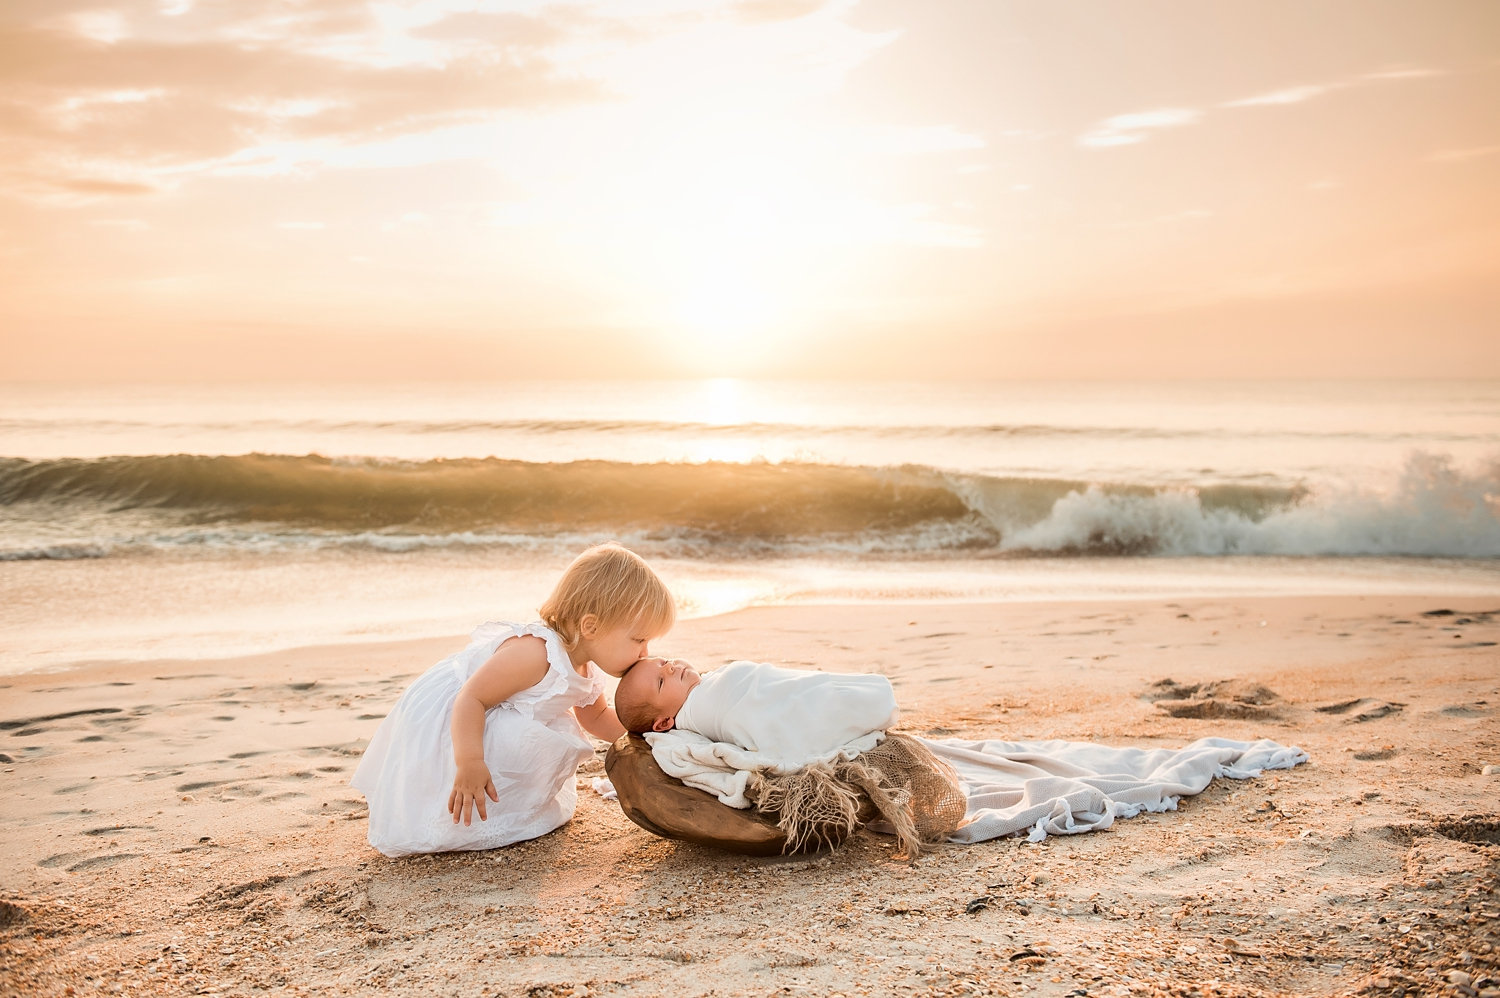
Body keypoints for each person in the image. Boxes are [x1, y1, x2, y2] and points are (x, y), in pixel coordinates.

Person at [350, 543, 675, 857]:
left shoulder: (586, 666)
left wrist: (650, 735)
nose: (645, 652)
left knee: (529, 737)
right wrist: (470, 762)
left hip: (490, 712)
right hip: (459, 718)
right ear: (591, 626)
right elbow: (471, 700)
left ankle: (509, 811)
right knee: (509, 743)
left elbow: (598, 717)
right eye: (639, 639)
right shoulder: (535, 653)